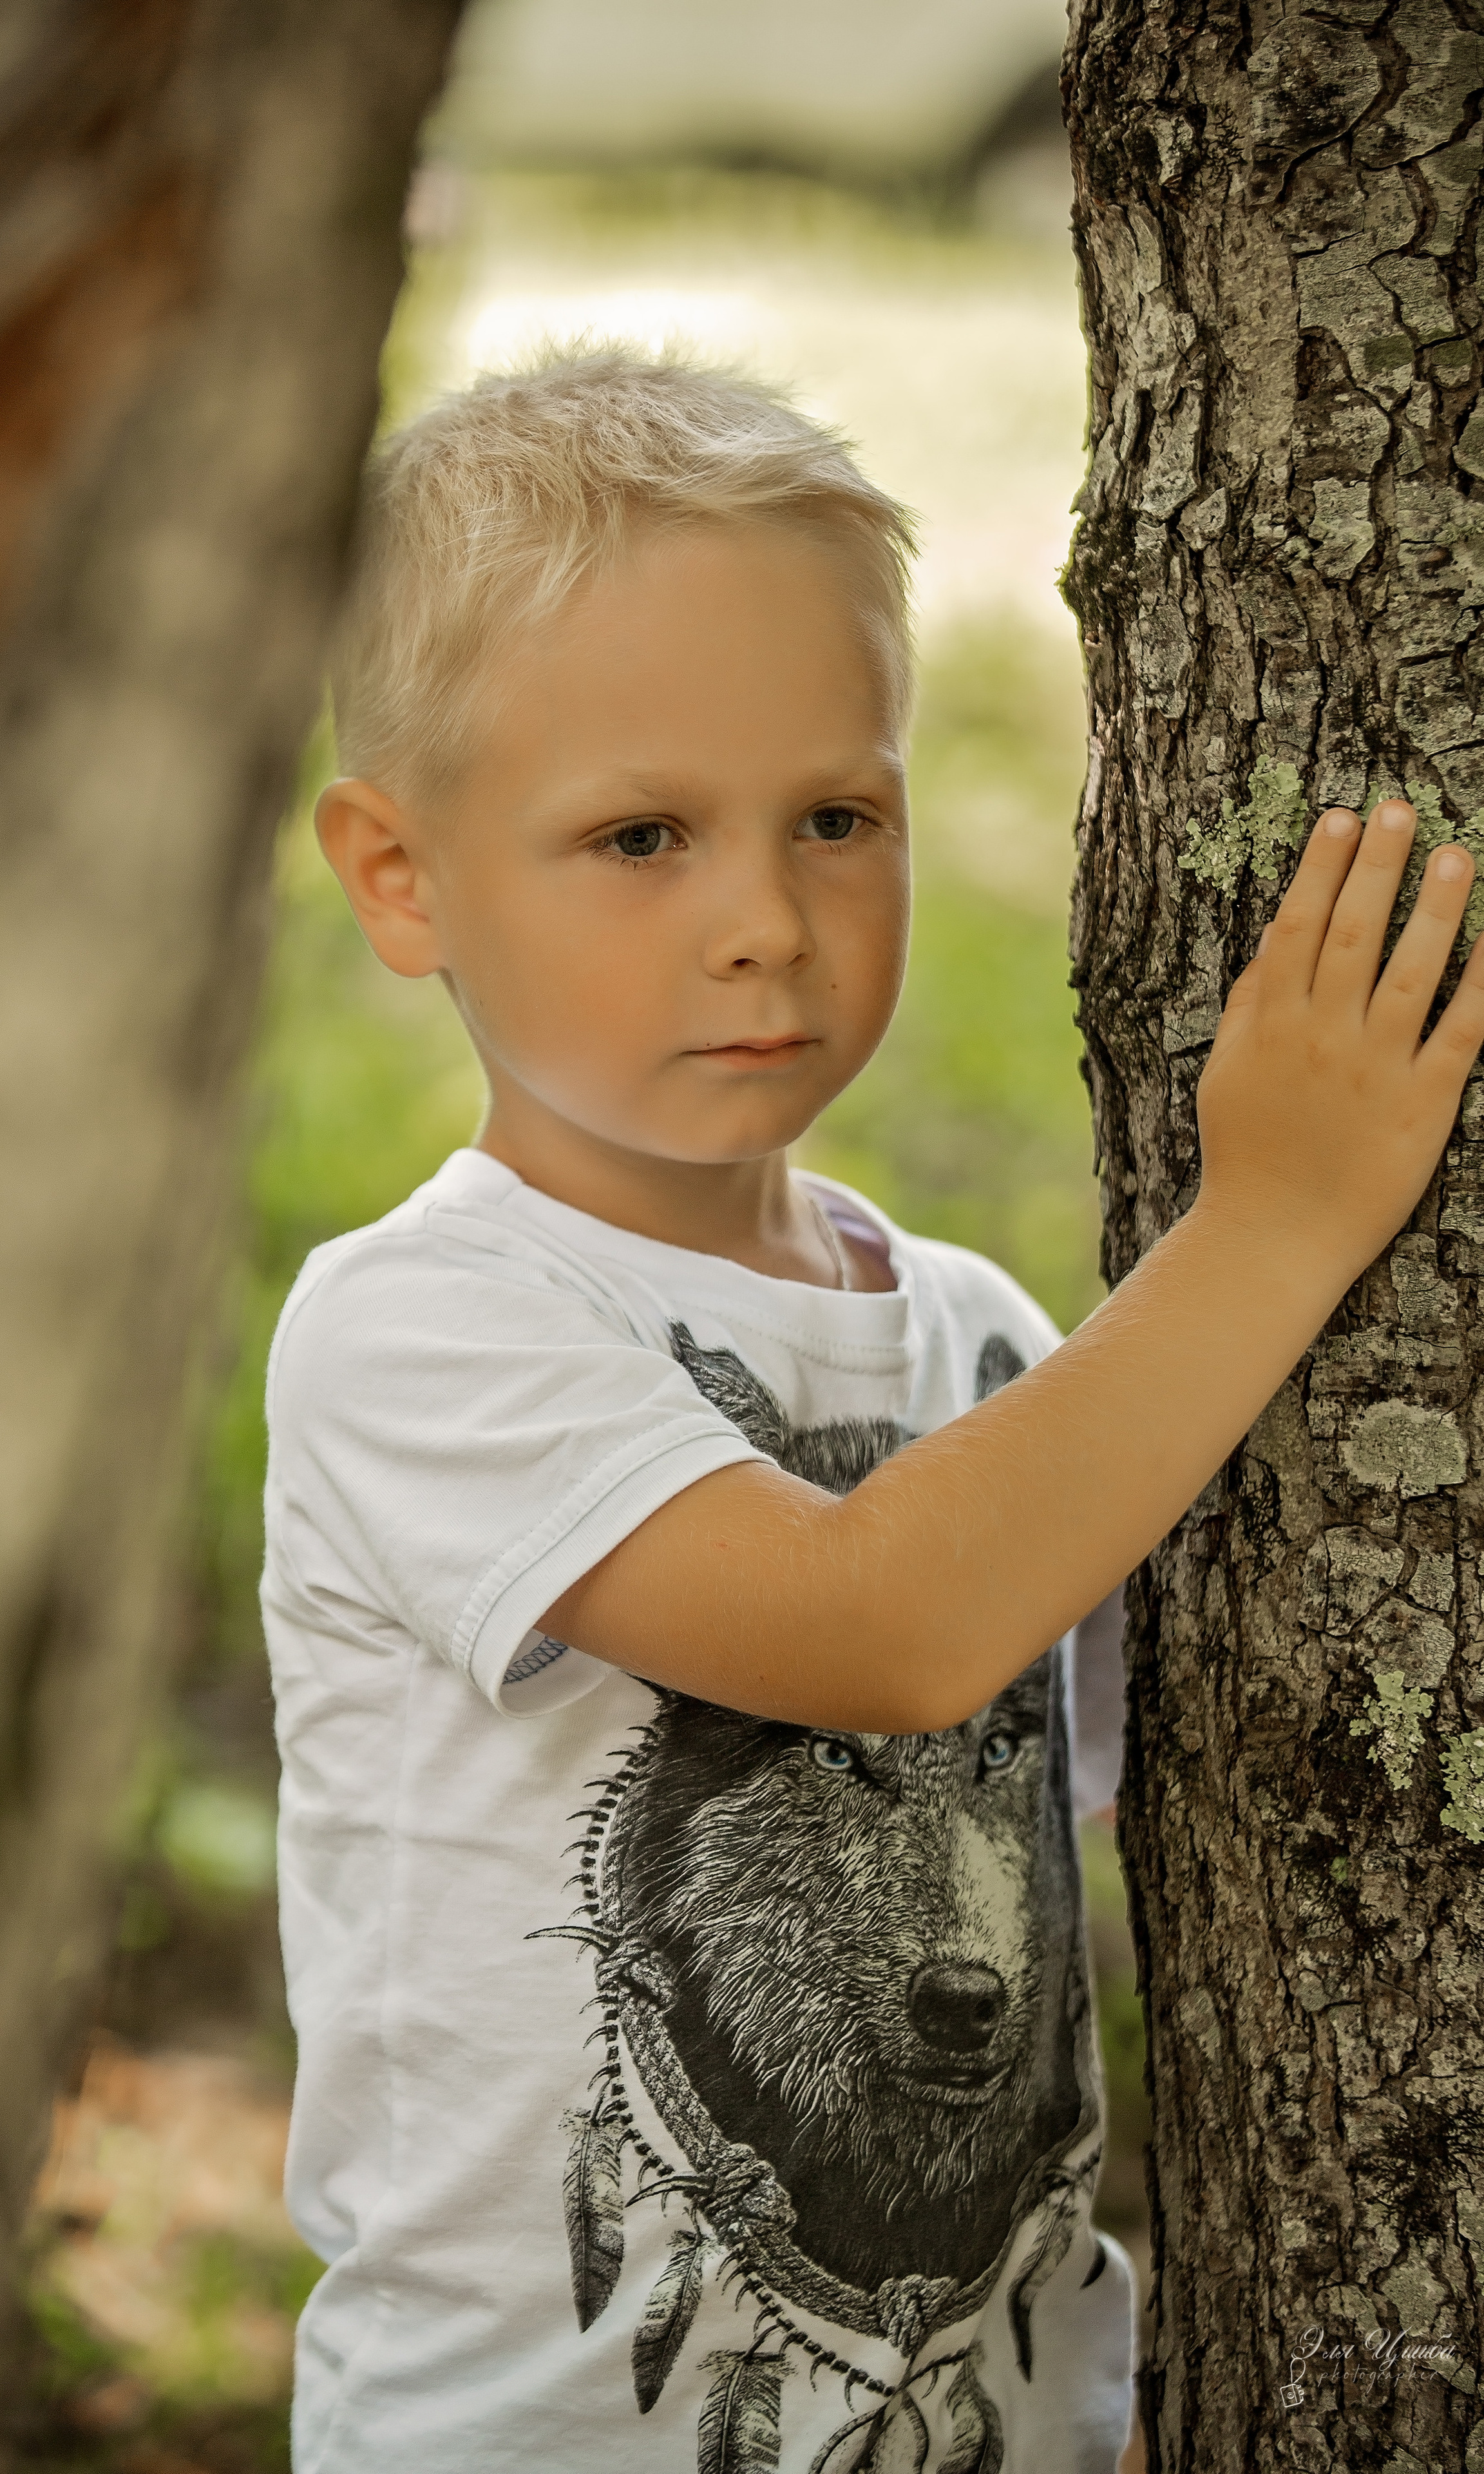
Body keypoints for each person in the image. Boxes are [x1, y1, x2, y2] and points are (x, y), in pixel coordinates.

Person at [262, 350, 1484, 2473]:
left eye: (838, 816)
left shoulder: (985, 1344)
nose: (766, 922)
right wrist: (1279, 1219)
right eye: (639, 837)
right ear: (403, 878)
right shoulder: (421, 1331)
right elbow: (881, 1627)